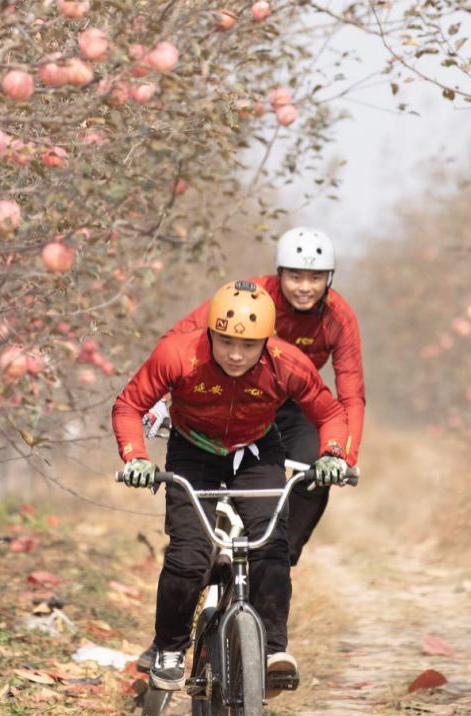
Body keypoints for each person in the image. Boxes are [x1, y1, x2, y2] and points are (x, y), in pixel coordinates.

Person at [112, 279, 350, 693]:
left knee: (270, 546)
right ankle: (169, 648)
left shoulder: (288, 363)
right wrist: (135, 458)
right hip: (193, 451)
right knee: (189, 556)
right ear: (209, 333)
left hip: (257, 450)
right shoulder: (178, 355)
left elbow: (330, 412)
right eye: (225, 342)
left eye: (249, 345)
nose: (236, 355)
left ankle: (273, 650)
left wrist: (331, 453)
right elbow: (128, 405)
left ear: (268, 342)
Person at [145, 227, 364, 565]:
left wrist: (343, 457)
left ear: (329, 279)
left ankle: (276, 559)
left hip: (290, 404)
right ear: (279, 274)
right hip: (236, 398)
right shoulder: (248, 298)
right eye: (295, 276)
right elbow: (178, 339)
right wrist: (158, 399)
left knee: (314, 472)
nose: (305, 287)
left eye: (315, 278)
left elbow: (351, 393)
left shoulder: (339, 317)